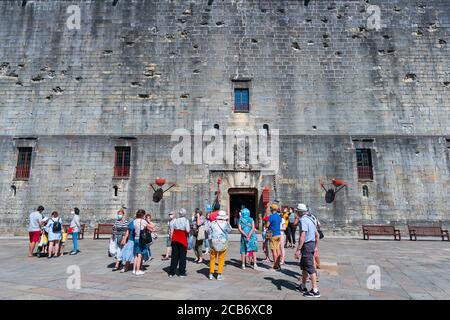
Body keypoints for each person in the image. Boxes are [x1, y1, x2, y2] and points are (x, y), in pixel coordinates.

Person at [295, 203, 320, 298]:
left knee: (310, 268)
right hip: (311, 244)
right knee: (305, 266)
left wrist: (298, 249)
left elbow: (303, 236)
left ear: (299, 212)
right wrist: (316, 247)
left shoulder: (303, 220)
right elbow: (317, 235)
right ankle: (303, 286)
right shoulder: (311, 219)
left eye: (297, 211)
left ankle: (315, 290)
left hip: (307, 245)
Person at [208, 210, 232, 280]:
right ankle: (219, 274)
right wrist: (227, 221)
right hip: (223, 243)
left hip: (214, 242)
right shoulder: (225, 224)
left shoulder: (212, 223)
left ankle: (211, 274)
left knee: (212, 258)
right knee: (221, 259)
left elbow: (209, 232)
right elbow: (230, 230)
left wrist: (210, 241)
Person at [169, 208, 190, 277]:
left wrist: (171, 239)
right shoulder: (186, 220)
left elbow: (172, 230)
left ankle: (171, 272)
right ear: (185, 214)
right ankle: (181, 272)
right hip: (182, 239)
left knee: (174, 256)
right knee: (182, 256)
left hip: (175, 238)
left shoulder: (175, 220)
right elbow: (188, 230)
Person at [133, 209, 152, 276]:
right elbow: (151, 227)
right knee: (140, 255)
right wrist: (149, 221)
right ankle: (137, 270)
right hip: (141, 239)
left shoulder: (134, 221)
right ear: (143, 215)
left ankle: (135, 269)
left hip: (136, 238)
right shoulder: (143, 221)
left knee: (137, 254)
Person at [266, 203, 282, 270]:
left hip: (273, 235)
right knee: (278, 249)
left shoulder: (271, 216)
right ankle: (278, 264)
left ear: (272, 209)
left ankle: (275, 265)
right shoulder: (279, 216)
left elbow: (267, 225)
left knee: (273, 250)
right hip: (278, 234)